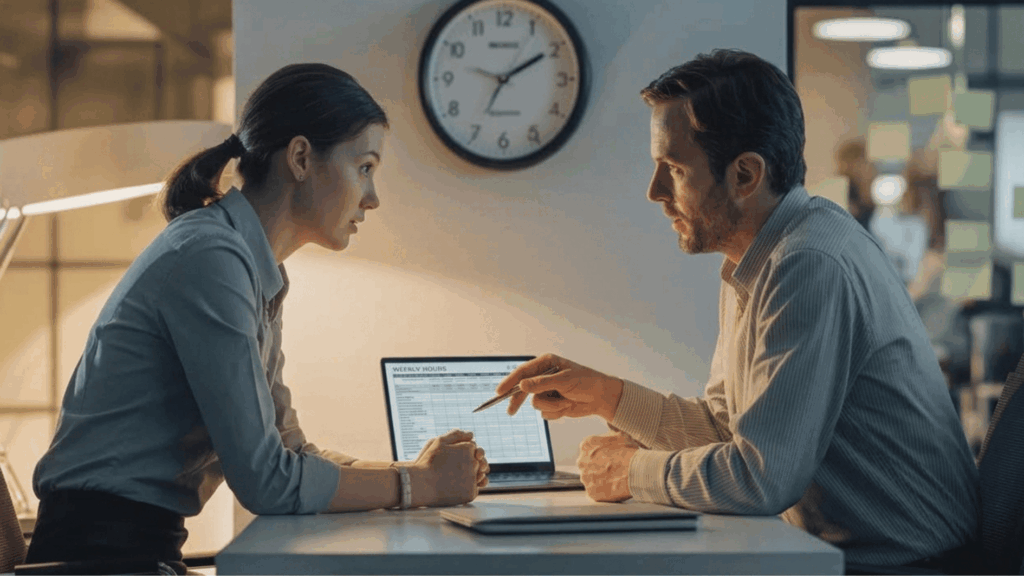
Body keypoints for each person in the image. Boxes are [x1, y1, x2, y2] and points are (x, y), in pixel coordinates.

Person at [495, 50, 978, 572]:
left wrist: (631, 471)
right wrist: (608, 395)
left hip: (909, 568)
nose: (654, 191)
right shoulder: (757, 258)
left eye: (675, 169)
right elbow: (729, 432)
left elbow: (760, 478)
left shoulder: (808, 264)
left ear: (746, 175)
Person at [26, 63, 488, 574]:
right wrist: (419, 485)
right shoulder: (211, 259)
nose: (373, 197)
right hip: (97, 559)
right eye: (365, 167)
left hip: (134, 552)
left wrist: (418, 473)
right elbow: (267, 481)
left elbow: (289, 449)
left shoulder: (251, 268)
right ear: (301, 157)